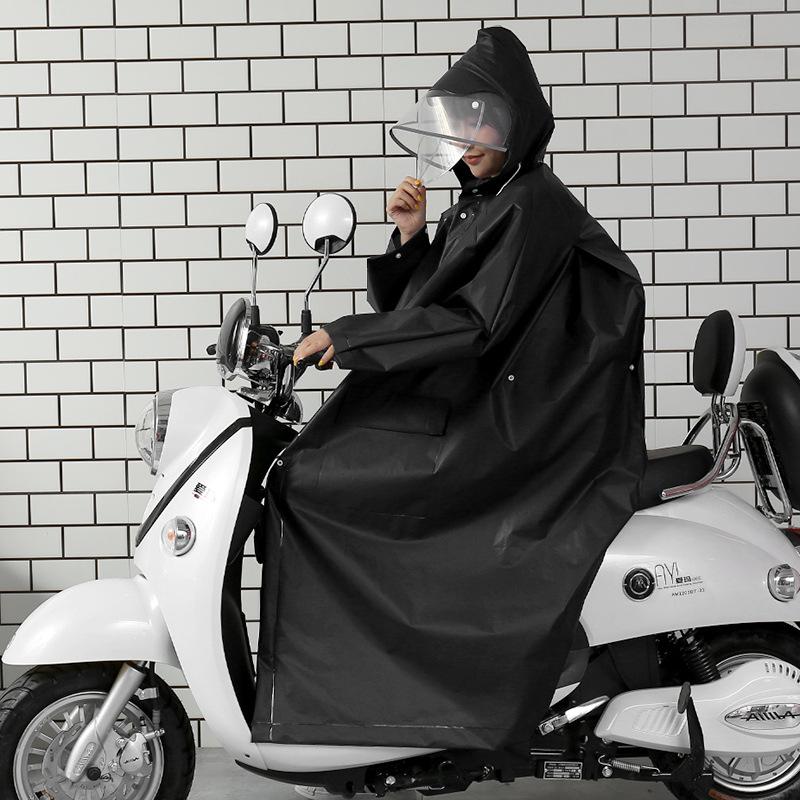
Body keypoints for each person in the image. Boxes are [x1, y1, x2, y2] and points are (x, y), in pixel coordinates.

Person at [251, 26, 647, 756]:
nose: (469, 140)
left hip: (517, 424)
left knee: (313, 485)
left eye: (483, 124)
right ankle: (362, 699)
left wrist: (346, 336)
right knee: (310, 473)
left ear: (518, 124)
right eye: (461, 125)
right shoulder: (485, 201)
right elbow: (430, 302)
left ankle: (378, 705)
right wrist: (410, 236)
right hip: (482, 401)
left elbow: (470, 325)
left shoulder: (530, 203)